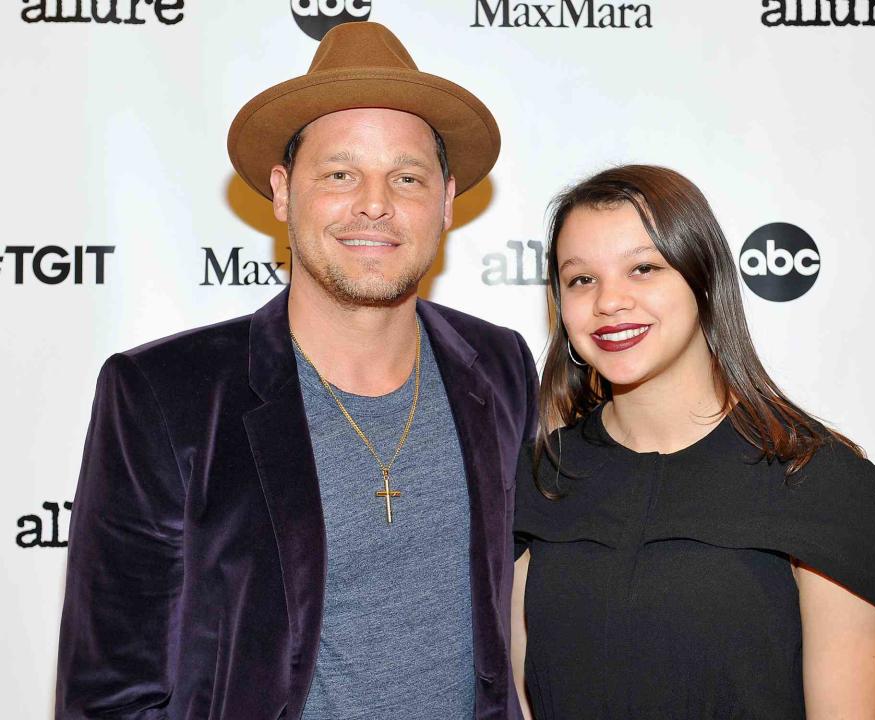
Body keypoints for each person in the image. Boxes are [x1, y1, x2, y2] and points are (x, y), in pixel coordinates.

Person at [57, 22, 537, 719]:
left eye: (406, 177)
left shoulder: (500, 367)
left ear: (446, 201)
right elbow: (110, 692)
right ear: (283, 193)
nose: (374, 202)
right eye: (340, 174)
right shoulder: (166, 395)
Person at [511, 165, 875, 719]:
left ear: (704, 280)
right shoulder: (539, 479)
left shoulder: (815, 476)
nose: (609, 301)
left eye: (644, 268)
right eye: (581, 279)